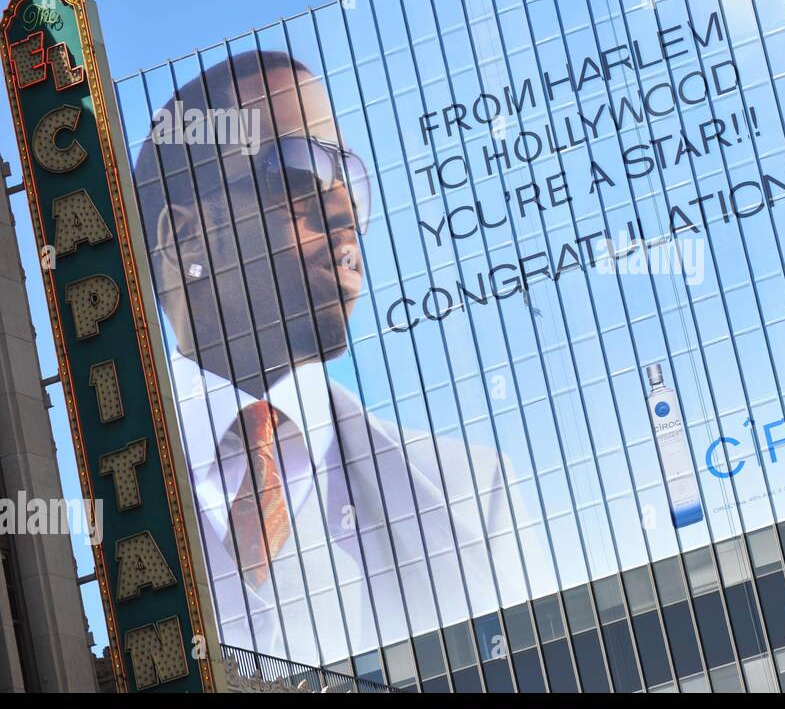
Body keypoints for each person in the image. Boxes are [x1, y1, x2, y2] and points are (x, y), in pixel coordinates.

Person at [131, 49, 526, 667]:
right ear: (187, 239)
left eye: (350, 178)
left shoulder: (476, 491)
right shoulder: (101, 510)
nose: (345, 209)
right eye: (299, 175)